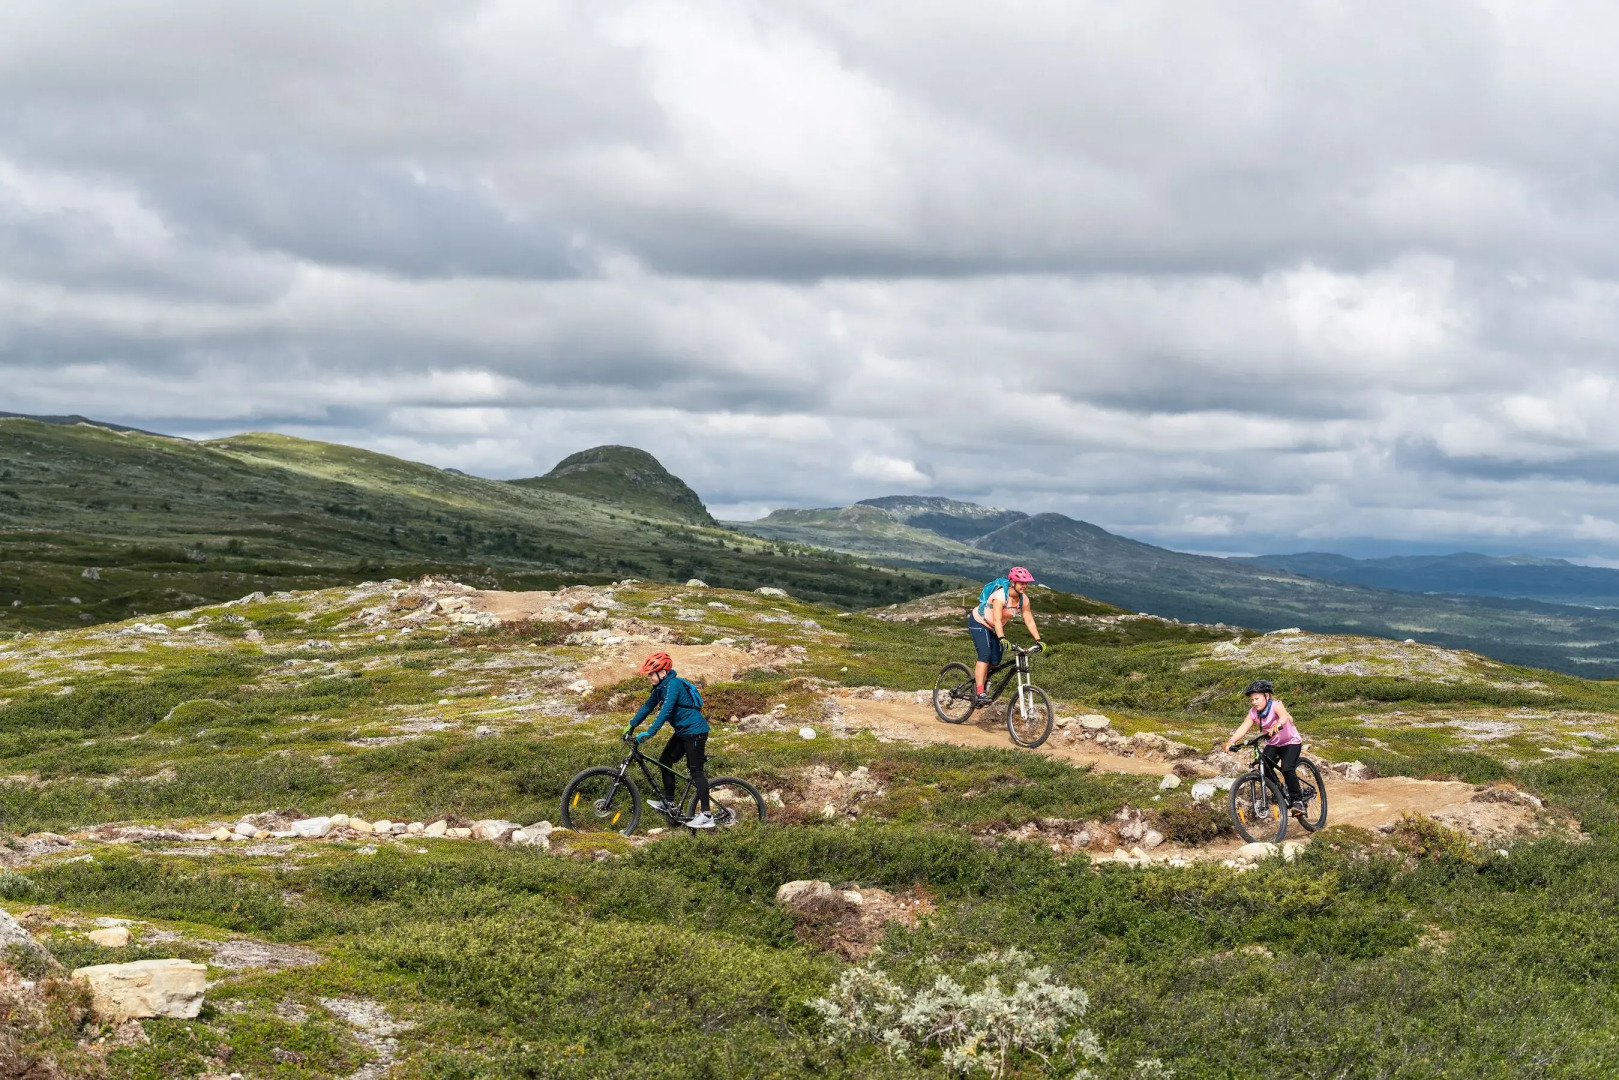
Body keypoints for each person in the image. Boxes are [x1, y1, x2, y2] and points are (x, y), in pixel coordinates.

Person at [625, 651, 714, 828]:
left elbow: (665, 711)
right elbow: (647, 706)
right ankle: (670, 804)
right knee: (665, 762)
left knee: (696, 772)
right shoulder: (661, 688)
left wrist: (649, 733)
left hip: (695, 732)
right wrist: (631, 725)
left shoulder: (673, 685)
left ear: (663, 672)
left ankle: (707, 815)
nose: (649, 677)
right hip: (683, 732)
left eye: (651, 673)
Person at [1224, 679, 1307, 816]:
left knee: (1287, 768)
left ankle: (1297, 800)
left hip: (1291, 742)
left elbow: (1283, 717)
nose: (1254, 702)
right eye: (1252, 700)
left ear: (1266, 696)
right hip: (1273, 743)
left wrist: (1278, 725)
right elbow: (1244, 727)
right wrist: (1231, 741)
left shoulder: (1276, 705)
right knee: (1265, 769)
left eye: (1257, 698)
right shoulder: (1253, 713)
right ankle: (1280, 793)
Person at [967, 567, 1043, 706]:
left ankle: (985, 677)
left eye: (1026, 583)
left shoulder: (1023, 599)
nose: (1024, 586)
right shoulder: (1001, 596)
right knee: (985, 655)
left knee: (995, 661)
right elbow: (996, 619)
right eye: (1021, 582)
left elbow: (1029, 620)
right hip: (980, 622)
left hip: (996, 628)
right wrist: (1002, 638)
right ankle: (979, 692)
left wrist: (1038, 640)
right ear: (1012, 582)